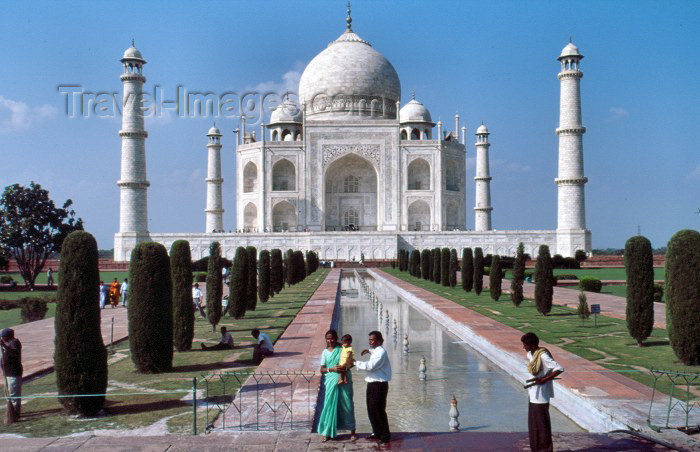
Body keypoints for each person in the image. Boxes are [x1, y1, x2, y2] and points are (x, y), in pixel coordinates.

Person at [521, 332, 564, 452]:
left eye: (525, 345)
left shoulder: (543, 355)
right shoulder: (531, 354)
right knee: (534, 425)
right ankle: (536, 448)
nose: (524, 347)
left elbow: (559, 368)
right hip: (533, 393)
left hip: (541, 395)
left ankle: (545, 449)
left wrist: (543, 379)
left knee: (541, 424)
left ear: (533, 345)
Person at [353, 330, 392, 443]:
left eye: (372, 340)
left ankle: (385, 434)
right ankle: (376, 431)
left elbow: (370, 366)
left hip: (379, 384)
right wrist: (369, 351)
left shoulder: (381, 353)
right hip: (372, 383)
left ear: (379, 341)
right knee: (371, 408)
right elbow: (375, 353)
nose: (370, 342)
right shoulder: (376, 351)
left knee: (378, 409)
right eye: (370, 340)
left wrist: (355, 362)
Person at [317, 330, 357, 442]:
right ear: (326, 339)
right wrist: (332, 369)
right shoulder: (325, 352)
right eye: (328, 338)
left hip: (344, 380)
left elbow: (352, 363)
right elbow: (322, 369)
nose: (330, 340)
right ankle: (328, 432)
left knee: (347, 404)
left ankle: (352, 431)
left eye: (332, 338)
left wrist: (345, 367)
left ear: (337, 338)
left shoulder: (343, 349)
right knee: (329, 405)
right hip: (331, 379)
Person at [0, 328, 22, 424]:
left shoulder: (15, 342)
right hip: (7, 373)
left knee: (13, 394)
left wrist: (3, 345)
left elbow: (13, 353)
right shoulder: (7, 343)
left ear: (7, 336)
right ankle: (11, 411)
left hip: (14, 373)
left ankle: (15, 414)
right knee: (8, 394)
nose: (2, 338)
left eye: (3, 337)